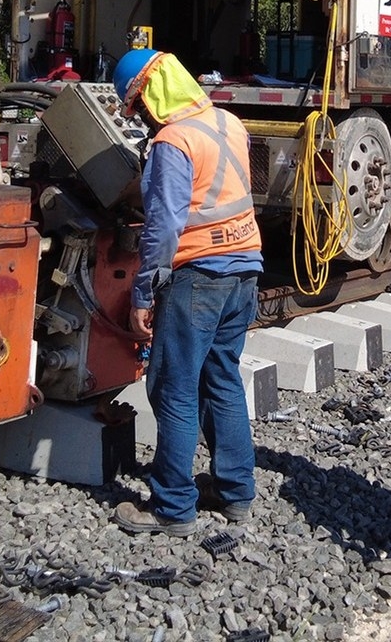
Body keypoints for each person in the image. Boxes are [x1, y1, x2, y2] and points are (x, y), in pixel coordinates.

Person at [109, 48, 263, 537]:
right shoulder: (227, 121)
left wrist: (141, 295)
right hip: (245, 269)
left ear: (150, 94)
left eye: (137, 107)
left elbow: (162, 230)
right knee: (222, 378)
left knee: (173, 388)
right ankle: (236, 492)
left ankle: (173, 506)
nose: (142, 118)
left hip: (199, 275)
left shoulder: (172, 143)